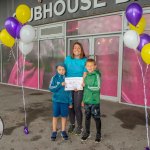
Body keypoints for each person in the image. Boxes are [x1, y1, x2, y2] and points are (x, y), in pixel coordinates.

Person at [64, 42, 87, 135]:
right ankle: (72, 124)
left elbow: (85, 73)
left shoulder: (84, 60)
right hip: (69, 86)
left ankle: (80, 126)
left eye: (78, 48)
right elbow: (64, 71)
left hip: (79, 86)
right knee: (70, 106)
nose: (76, 49)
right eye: (75, 48)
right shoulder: (68, 58)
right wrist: (64, 82)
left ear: (81, 50)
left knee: (77, 106)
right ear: (72, 50)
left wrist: (79, 85)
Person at [49, 63, 72, 141]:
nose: (61, 71)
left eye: (63, 69)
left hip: (65, 102)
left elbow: (70, 92)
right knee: (55, 116)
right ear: (57, 70)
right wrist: (60, 85)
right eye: (60, 69)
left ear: (65, 70)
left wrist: (70, 102)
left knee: (64, 117)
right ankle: (54, 131)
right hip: (56, 101)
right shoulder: (54, 78)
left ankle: (63, 131)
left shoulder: (67, 79)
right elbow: (51, 88)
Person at [81, 58, 101, 143]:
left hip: (94, 101)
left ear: (95, 66)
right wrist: (83, 100)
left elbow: (97, 87)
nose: (89, 67)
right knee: (87, 117)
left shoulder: (97, 75)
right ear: (86, 66)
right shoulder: (86, 75)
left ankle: (98, 134)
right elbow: (84, 90)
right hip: (87, 101)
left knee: (96, 118)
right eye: (88, 66)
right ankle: (87, 133)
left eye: (91, 65)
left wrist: (87, 85)